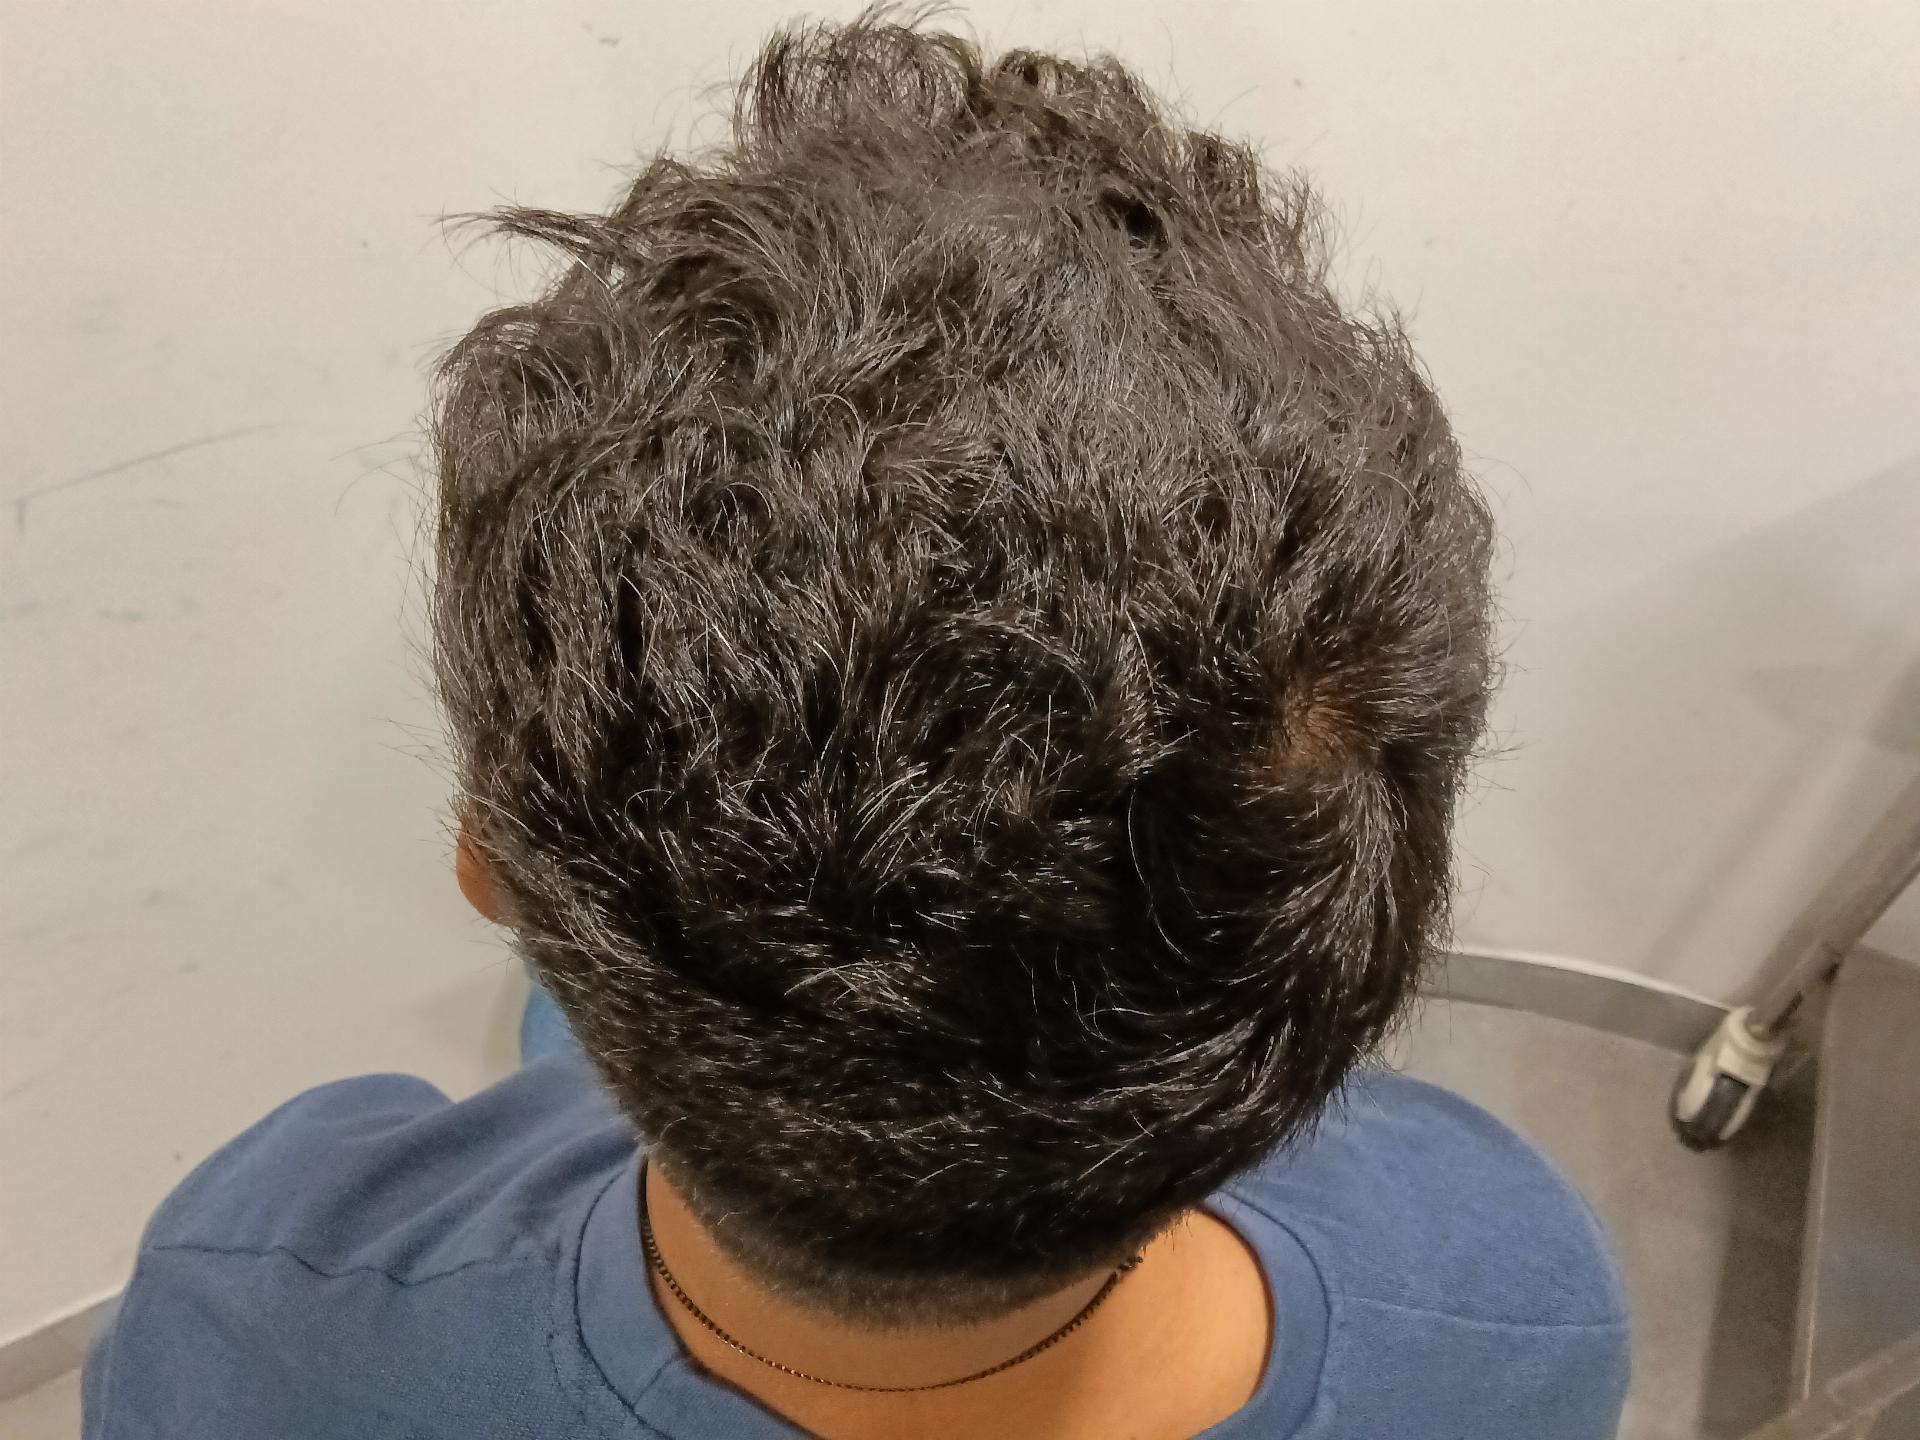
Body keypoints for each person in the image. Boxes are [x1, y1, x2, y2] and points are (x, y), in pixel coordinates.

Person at [83, 12, 1629, 1438]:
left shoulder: (266, 1305)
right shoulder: (1505, 1301)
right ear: (1361, 939)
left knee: (565, 1036)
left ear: (484, 857)